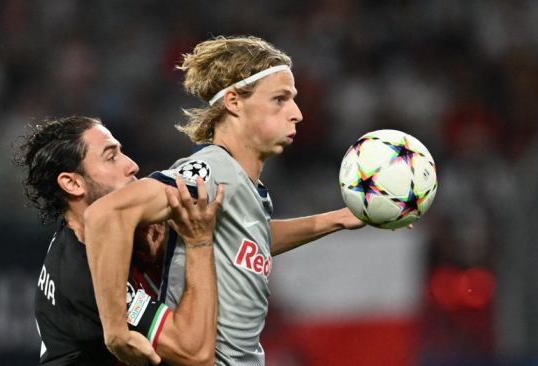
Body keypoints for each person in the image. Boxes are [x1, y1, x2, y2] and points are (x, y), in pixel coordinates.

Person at [85, 35, 365, 365]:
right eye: (279, 99)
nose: (297, 113)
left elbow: (252, 236)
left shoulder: (242, 185)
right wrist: (116, 328)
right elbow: (105, 214)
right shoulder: (211, 171)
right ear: (233, 101)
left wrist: (339, 219)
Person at [15, 116, 224, 365]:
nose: (132, 165)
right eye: (111, 157)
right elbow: (194, 352)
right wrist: (198, 243)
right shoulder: (87, 273)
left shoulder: (112, 234)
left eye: (121, 152)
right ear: (72, 183)